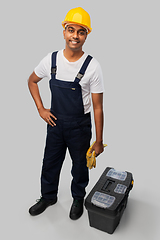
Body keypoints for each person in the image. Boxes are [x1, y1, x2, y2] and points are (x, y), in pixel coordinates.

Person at [28, 7, 105, 220]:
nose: (75, 36)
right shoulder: (51, 60)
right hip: (55, 124)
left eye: (81, 32)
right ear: (64, 31)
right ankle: (48, 196)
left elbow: (98, 107)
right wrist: (41, 109)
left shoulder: (92, 66)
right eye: (71, 30)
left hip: (79, 126)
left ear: (86, 35)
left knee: (80, 166)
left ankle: (78, 198)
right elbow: (32, 81)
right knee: (50, 162)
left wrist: (99, 141)